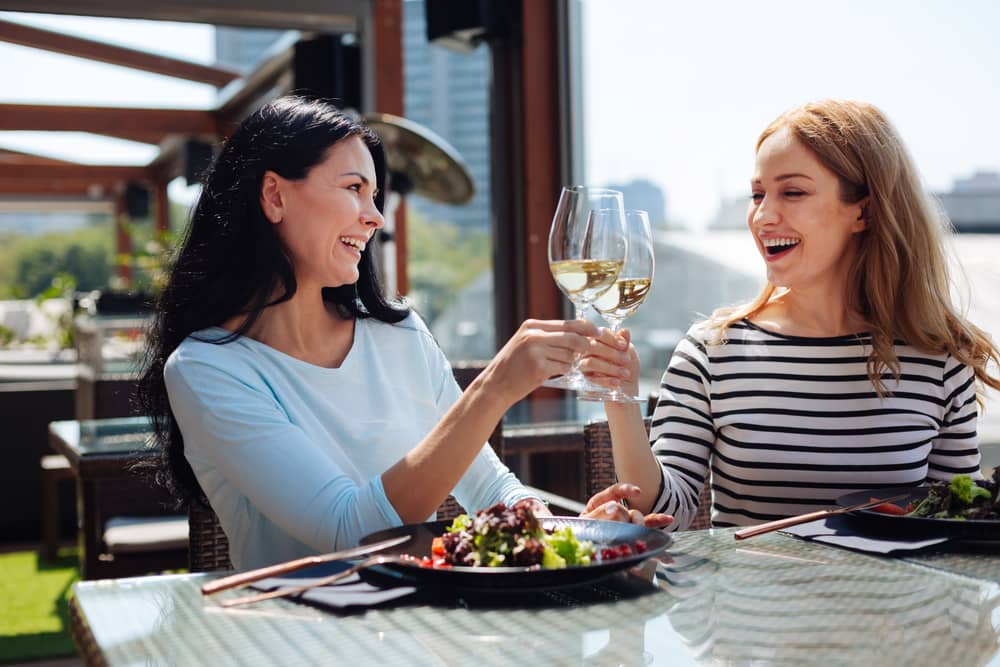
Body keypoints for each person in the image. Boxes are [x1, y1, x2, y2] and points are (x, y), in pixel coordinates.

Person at [137, 96, 667, 569]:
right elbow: (349, 534)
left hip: (423, 628)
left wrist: (565, 534)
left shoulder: (400, 335)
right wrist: (495, 387)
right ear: (274, 196)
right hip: (298, 639)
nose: (374, 218)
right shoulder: (208, 369)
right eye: (354, 189)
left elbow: (490, 489)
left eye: (375, 197)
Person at [592, 99, 1000, 529]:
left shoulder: (939, 361)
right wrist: (620, 400)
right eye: (757, 194)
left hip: (895, 599)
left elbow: (961, 526)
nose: (763, 216)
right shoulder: (710, 352)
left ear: (863, 210)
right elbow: (665, 515)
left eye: (792, 192)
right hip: (746, 598)